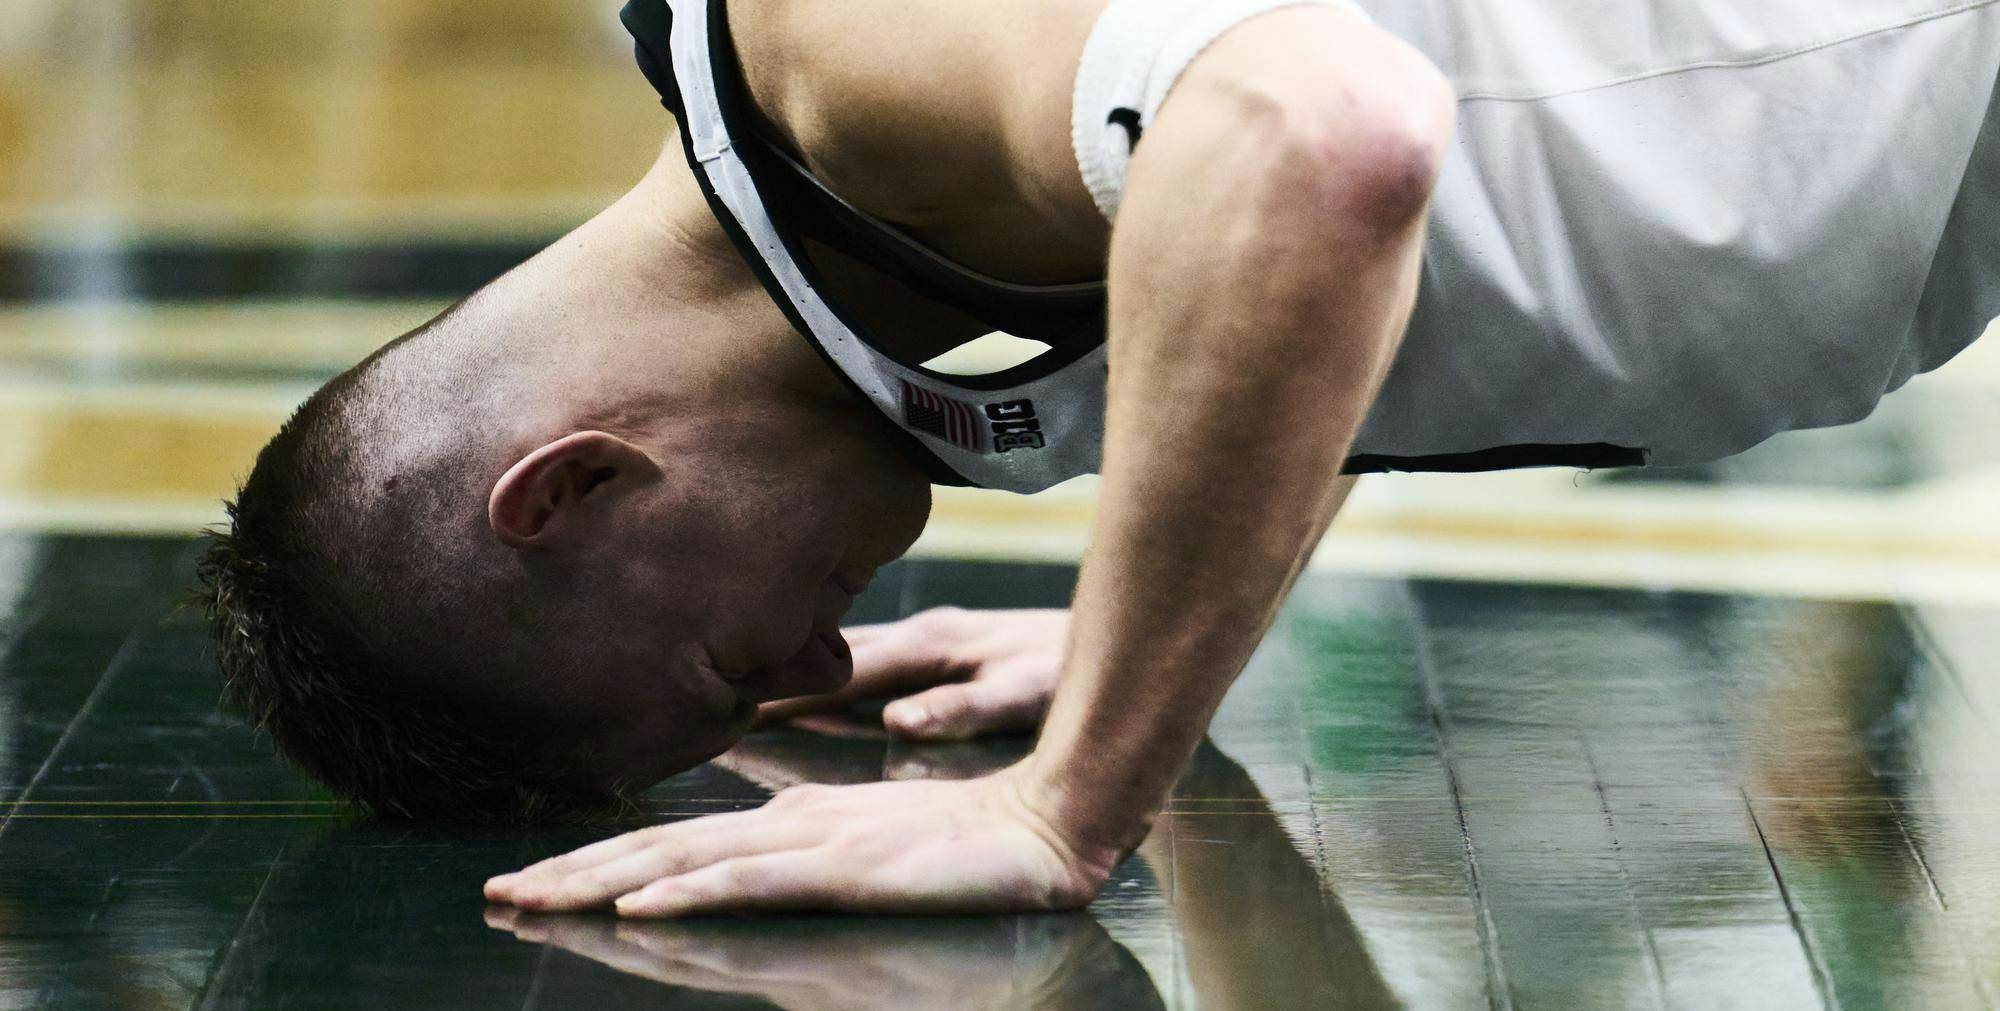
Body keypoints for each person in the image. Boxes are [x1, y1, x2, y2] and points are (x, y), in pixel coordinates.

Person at [196, 0, 2000, 914]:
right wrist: (1171, 589)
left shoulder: (834, 39)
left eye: (734, 665)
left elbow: (1323, 137)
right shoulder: (879, 209)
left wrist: (1071, 794)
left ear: (573, 484)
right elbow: (1318, 201)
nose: (821, 666)